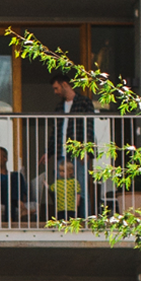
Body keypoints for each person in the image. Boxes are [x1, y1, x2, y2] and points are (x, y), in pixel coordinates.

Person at [50, 76, 96, 216]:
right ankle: (65, 221)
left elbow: (89, 127)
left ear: (65, 84)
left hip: (77, 153)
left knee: (81, 189)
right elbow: (55, 131)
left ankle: (85, 221)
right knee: (62, 189)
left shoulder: (83, 102)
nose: (55, 92)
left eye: (56, 88)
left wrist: (87, 150)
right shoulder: (59, 107)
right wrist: (48, 151)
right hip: (61, 153)